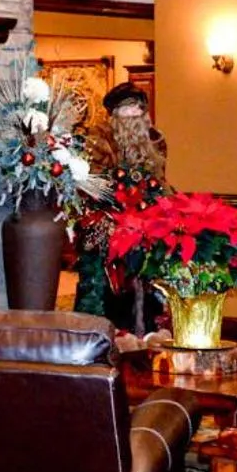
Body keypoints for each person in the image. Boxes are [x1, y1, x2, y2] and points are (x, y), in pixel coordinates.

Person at [73, 81, 167, 329]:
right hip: (108, 221)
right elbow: (91, 185)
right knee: (104, 277)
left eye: (138, 109)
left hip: (145, 222)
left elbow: (159, 182)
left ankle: (149, 327)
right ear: (114, 114)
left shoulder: (156, 141)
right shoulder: (99, 141)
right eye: (127, 109)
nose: (133, 115)